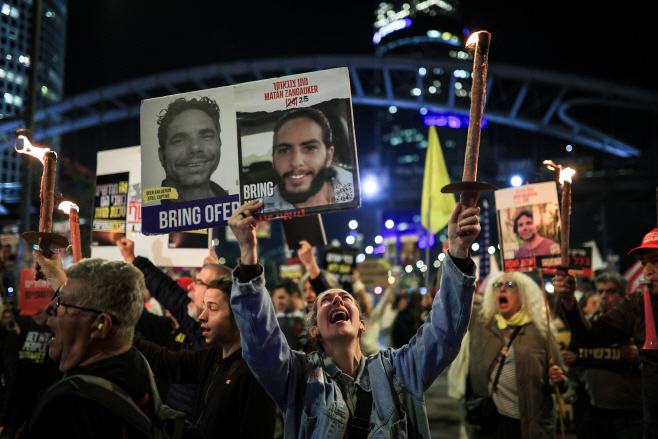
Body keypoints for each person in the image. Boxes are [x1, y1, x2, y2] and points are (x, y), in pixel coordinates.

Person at [229, 199, 481, 438]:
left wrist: (458, 251)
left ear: (362, 322)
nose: (337, 300)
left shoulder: (399, 371)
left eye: (345, 297)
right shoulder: (296, 377)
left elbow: (443, 331)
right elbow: (261, 340)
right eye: (326, 300)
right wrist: (248, 253)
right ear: (315, 329)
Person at [22, 251, 151, 438]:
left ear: (100, 326)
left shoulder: (69, 408)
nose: (49, 308)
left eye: (62, 302)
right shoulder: (139, 365)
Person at [135, 277, 276, 439]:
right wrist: (123, 338)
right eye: (204, 307)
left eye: (212, 308)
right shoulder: (213, 355)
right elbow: (168, 362)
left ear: (239, 317)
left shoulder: (255, 374)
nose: (202, 316)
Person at [555, 228, 658, 438]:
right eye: (643, 263)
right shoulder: (637, 303)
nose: (647, 270)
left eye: (655, 261)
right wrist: (569, 301)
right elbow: (590, 338)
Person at [117, 237, 231, 419]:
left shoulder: (218, 346)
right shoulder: (196, 323)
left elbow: (166, 361)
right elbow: (167, 290)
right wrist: (133, 259)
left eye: (200, 282)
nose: (191, 287)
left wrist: (118, 335)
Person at [452, 271, 567, 439]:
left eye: (510, 285)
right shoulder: (481, 322)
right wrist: (454, 259)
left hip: (529, 425)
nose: (502, 289)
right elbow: (453, 302)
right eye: (498, 286)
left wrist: (556, 379)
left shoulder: (541, 331)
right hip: (491, 422)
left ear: (524, 294)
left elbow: (562, 381)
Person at [565, 271, 643, 439]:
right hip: (595, 408)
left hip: (629, 414)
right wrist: (573, 360)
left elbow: (652, 367)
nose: (604, 296)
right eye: (600, 291)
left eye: (610, 291)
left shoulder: (636, 323)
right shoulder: (589, 324)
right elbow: (575, 356)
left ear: (623, 295)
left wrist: (638, 358)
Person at [264, 108, 354, 211]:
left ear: (328, 156)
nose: (296, 162)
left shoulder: (353, 186)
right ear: (273, 158)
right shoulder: (261, 210)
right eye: (284, 150)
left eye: (310, 148)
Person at [156, 96, 228, 203]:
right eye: (179, 140)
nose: (195, 147)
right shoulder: (151, 212)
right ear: (162, 156)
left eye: (205, 136)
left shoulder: (232, 203)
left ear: (219, 144)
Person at [271, 280, 307, 351]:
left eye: (281, 297)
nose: (279, 302)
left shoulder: (309, 313)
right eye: (276, 299)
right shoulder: (277, 318)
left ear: (295, 295)